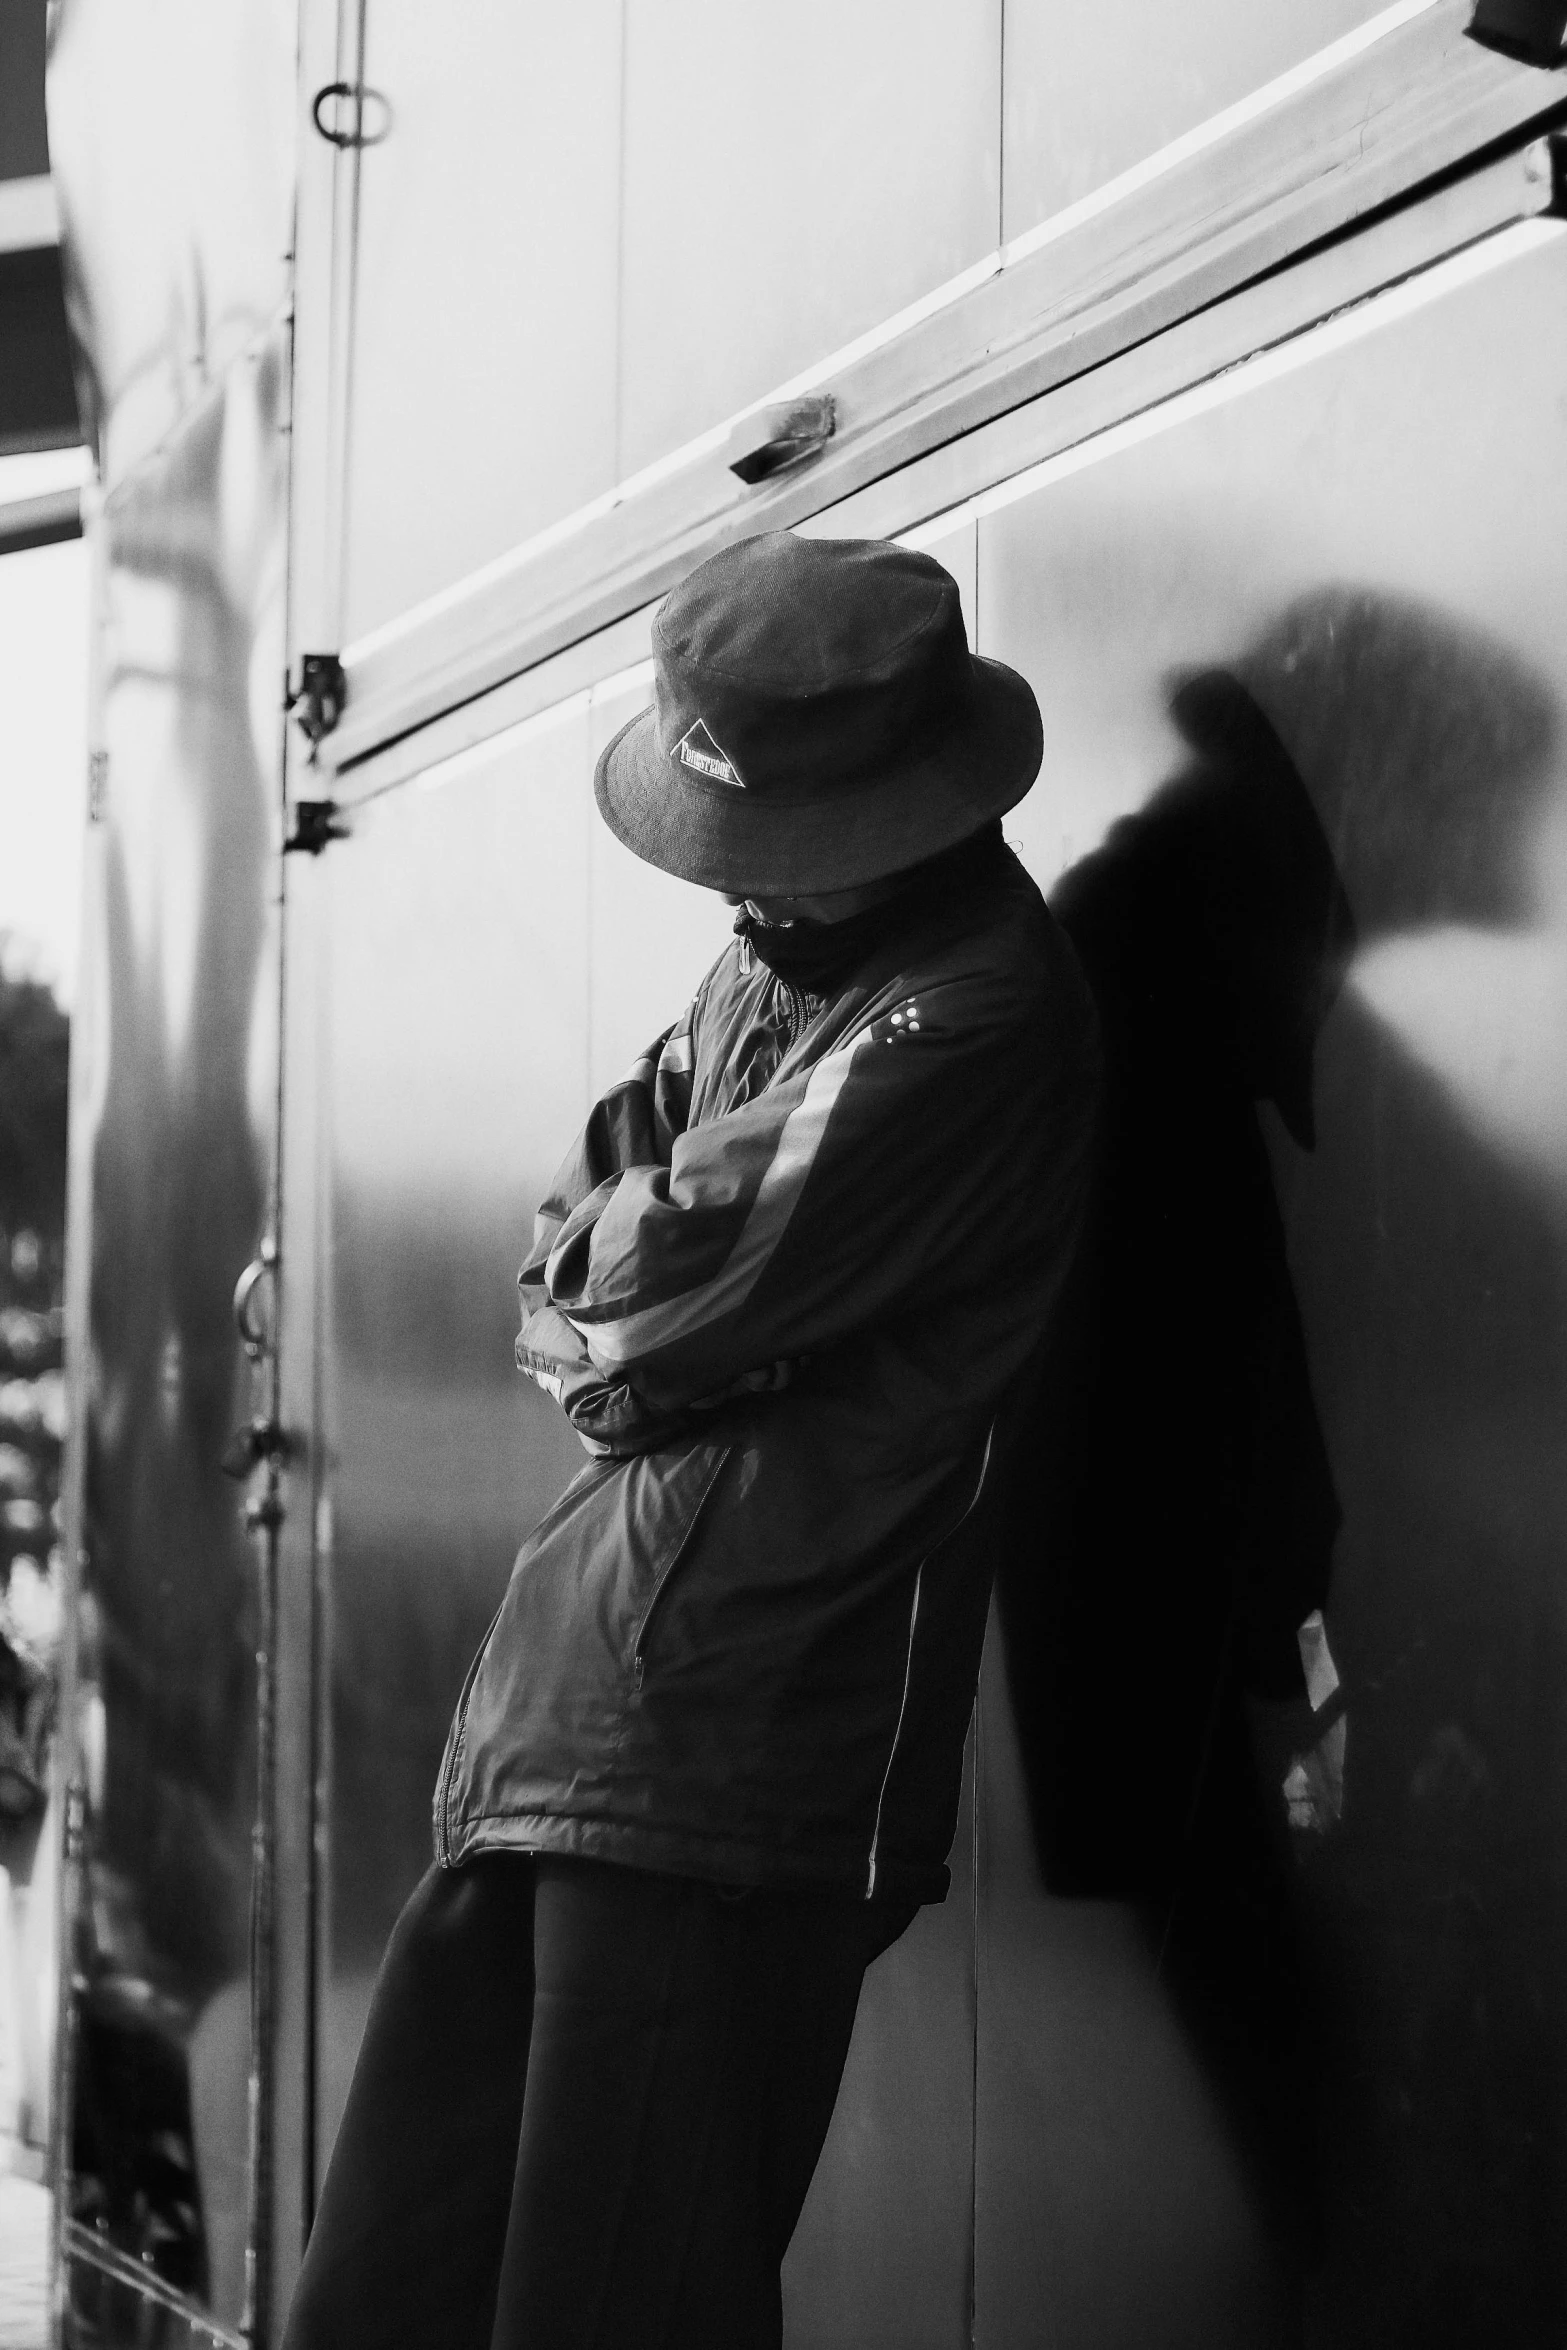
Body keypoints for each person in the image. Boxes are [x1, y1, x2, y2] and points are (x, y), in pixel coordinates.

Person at [282, 530, 1100, 2350]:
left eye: (777, 853)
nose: (745, 891)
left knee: (613, 2302)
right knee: (394, 2289)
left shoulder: (966, 1009)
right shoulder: (771, 967)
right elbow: (572, 1239)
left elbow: (633, 1303)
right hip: (574, 1724)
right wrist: (637, 1304)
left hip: (732, 1750)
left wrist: (633, 1314)